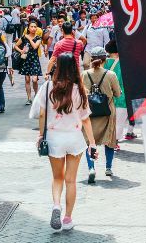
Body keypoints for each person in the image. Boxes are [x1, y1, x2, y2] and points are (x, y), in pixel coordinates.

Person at [31, 53, 97, 231]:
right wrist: (92, 143)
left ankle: (56, 206)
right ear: (74, 68)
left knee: (57, 177)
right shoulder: (79, 89)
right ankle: (67, 219)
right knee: (71, 180)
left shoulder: (47, 88)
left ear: (57, 67)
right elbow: (85, 120)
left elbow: (42, 114)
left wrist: (40, 135)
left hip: (54, 139)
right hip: (74, 139)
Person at [82, 47, 122, 182]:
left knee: (89, 141)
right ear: (105, 59)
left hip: (89, 112)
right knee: (110, 140)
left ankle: (91, 168)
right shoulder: (111, 75)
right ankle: (108, 168)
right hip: (108, 112)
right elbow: (117, 93)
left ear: (91, 59)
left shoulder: (84, 74)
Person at [102, 40, 135, 141]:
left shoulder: (104, 63)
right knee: (119, 123)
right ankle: (114, 142)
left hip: (107, 97)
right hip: (122, 97)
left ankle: (109, 141)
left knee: (108, 121)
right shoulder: (125, 63)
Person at [15, 18, 45, 104]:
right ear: (28, 28)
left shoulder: (38, 38)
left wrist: (29, 38)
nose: (33, 28)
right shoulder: (24, 37)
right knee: (27, 80)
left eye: (35, 27)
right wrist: (20, 51)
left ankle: (36, 94)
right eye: (31, 27)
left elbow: (35, 46)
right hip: (26, 60)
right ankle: (29, 98)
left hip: (35, 60)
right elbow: (16, 46)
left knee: (35, 80)